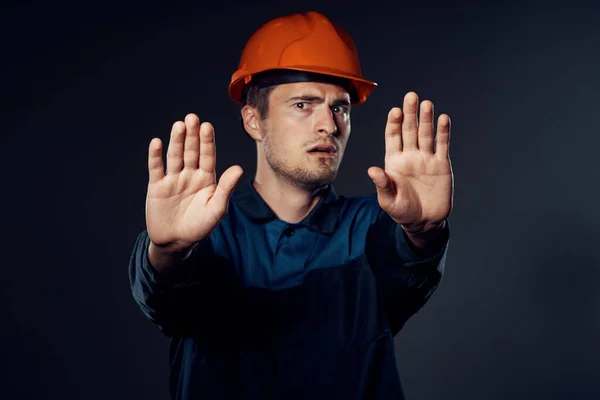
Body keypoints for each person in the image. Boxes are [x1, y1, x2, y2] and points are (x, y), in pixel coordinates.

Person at [129, 10, 453, 400]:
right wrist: (168, 250)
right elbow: (163, 298)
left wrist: (422, 233)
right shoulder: (204, 230)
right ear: (254, 120)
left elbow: (407, 266)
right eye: (303, 105)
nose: (330, 126)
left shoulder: (375, 226)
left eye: (341, 108)